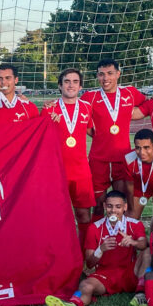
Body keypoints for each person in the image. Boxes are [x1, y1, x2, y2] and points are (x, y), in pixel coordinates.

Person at [44, 191, 146, 306]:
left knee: (148, 251)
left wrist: (133, 242)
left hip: (130, 273)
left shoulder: (135, 224)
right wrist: (101, 249)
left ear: (125, 207)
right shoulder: (94, 228)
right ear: (104, 206)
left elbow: (144, 244)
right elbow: (90, 262)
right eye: (109, 206)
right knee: (86, 285)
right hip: (105, 275)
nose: (113, 210)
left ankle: (141, 293)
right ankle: (73, 305)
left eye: (118, 207)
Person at [85, 59, 147, 207]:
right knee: (99, 205)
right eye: (101, 74)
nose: (105, 78)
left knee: (120, 203)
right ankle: (99, 230)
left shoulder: (130, 93)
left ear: (118, 74)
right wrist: (97, 135)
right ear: (97, 76)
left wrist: (131, 114)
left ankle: (121, 230)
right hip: (98, 159)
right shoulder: (90, 97)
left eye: (110, 73)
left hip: (123, 158)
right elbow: (78, 115)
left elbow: (148, 104)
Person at [46, 68, 95, 249]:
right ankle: (59, 254)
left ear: (80, 86)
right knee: (57, 218)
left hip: (81, 172)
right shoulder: (49, 108)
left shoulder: (87, 108)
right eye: (67, 81)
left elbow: (93, 132)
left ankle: (82, 254)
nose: (71, 85)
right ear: (60, 85)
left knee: (83, 216)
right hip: (56, 173)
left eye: (75, 82)